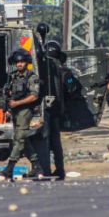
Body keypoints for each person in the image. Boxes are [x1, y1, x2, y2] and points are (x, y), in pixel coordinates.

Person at [0, 48, 43, 181]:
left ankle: (9, 169)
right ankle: (37, 167)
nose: (19, 64)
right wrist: (8, 106)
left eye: (22, 62)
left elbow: (34, 96)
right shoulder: (12, 77)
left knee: (19, 139)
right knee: (24, 139)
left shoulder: (32, 77)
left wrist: (17, 103)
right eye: (17, 62)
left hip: (25, 111)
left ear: (27, 63)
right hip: (15, 112)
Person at [43, 40, 68, 180]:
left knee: (46, 140)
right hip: (56, 109)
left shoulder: (44, 67)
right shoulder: (61, 68)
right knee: (55, 142)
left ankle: (46, 168)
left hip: (48, 109)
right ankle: (59, 169)